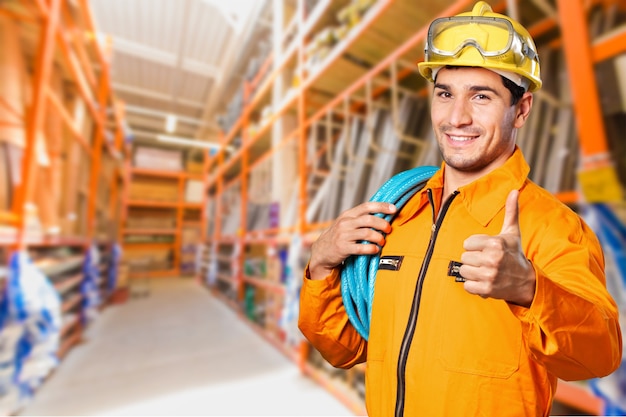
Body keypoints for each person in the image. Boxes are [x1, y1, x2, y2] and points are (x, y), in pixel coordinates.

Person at [298, 2, 623, 416]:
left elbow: (600, 356)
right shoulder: (398, 214)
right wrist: (322, 266)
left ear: (520, 110)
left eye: (481, 96)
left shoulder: (553, 228)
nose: (457, 117)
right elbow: (346, 349)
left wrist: (530, 289)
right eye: (445, 94)